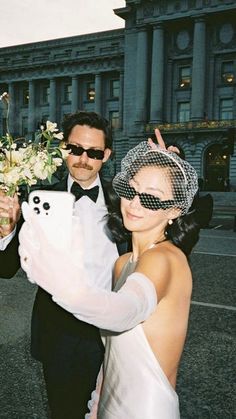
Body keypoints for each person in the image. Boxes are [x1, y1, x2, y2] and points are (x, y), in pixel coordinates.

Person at [19, 140, 202, 418]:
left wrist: (60, 278)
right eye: (131, 189)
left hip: (144, 409)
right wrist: (96, 402)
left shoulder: (166, 259)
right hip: (108, 404)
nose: (135, 203)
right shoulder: (123, 263)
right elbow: (113, 353)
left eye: (151, 197)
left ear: (175, 210)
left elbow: (123, 313)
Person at [0, 111, 123, 419]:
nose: (83, 158)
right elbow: (6, 268)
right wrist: (7, 232)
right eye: (75, 149)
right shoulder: (41, 198)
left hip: (115, 330)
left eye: (94, 152)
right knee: (64, 412)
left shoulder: (124, 201)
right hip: (60, 332)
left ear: (106, 154)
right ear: (64, 148)